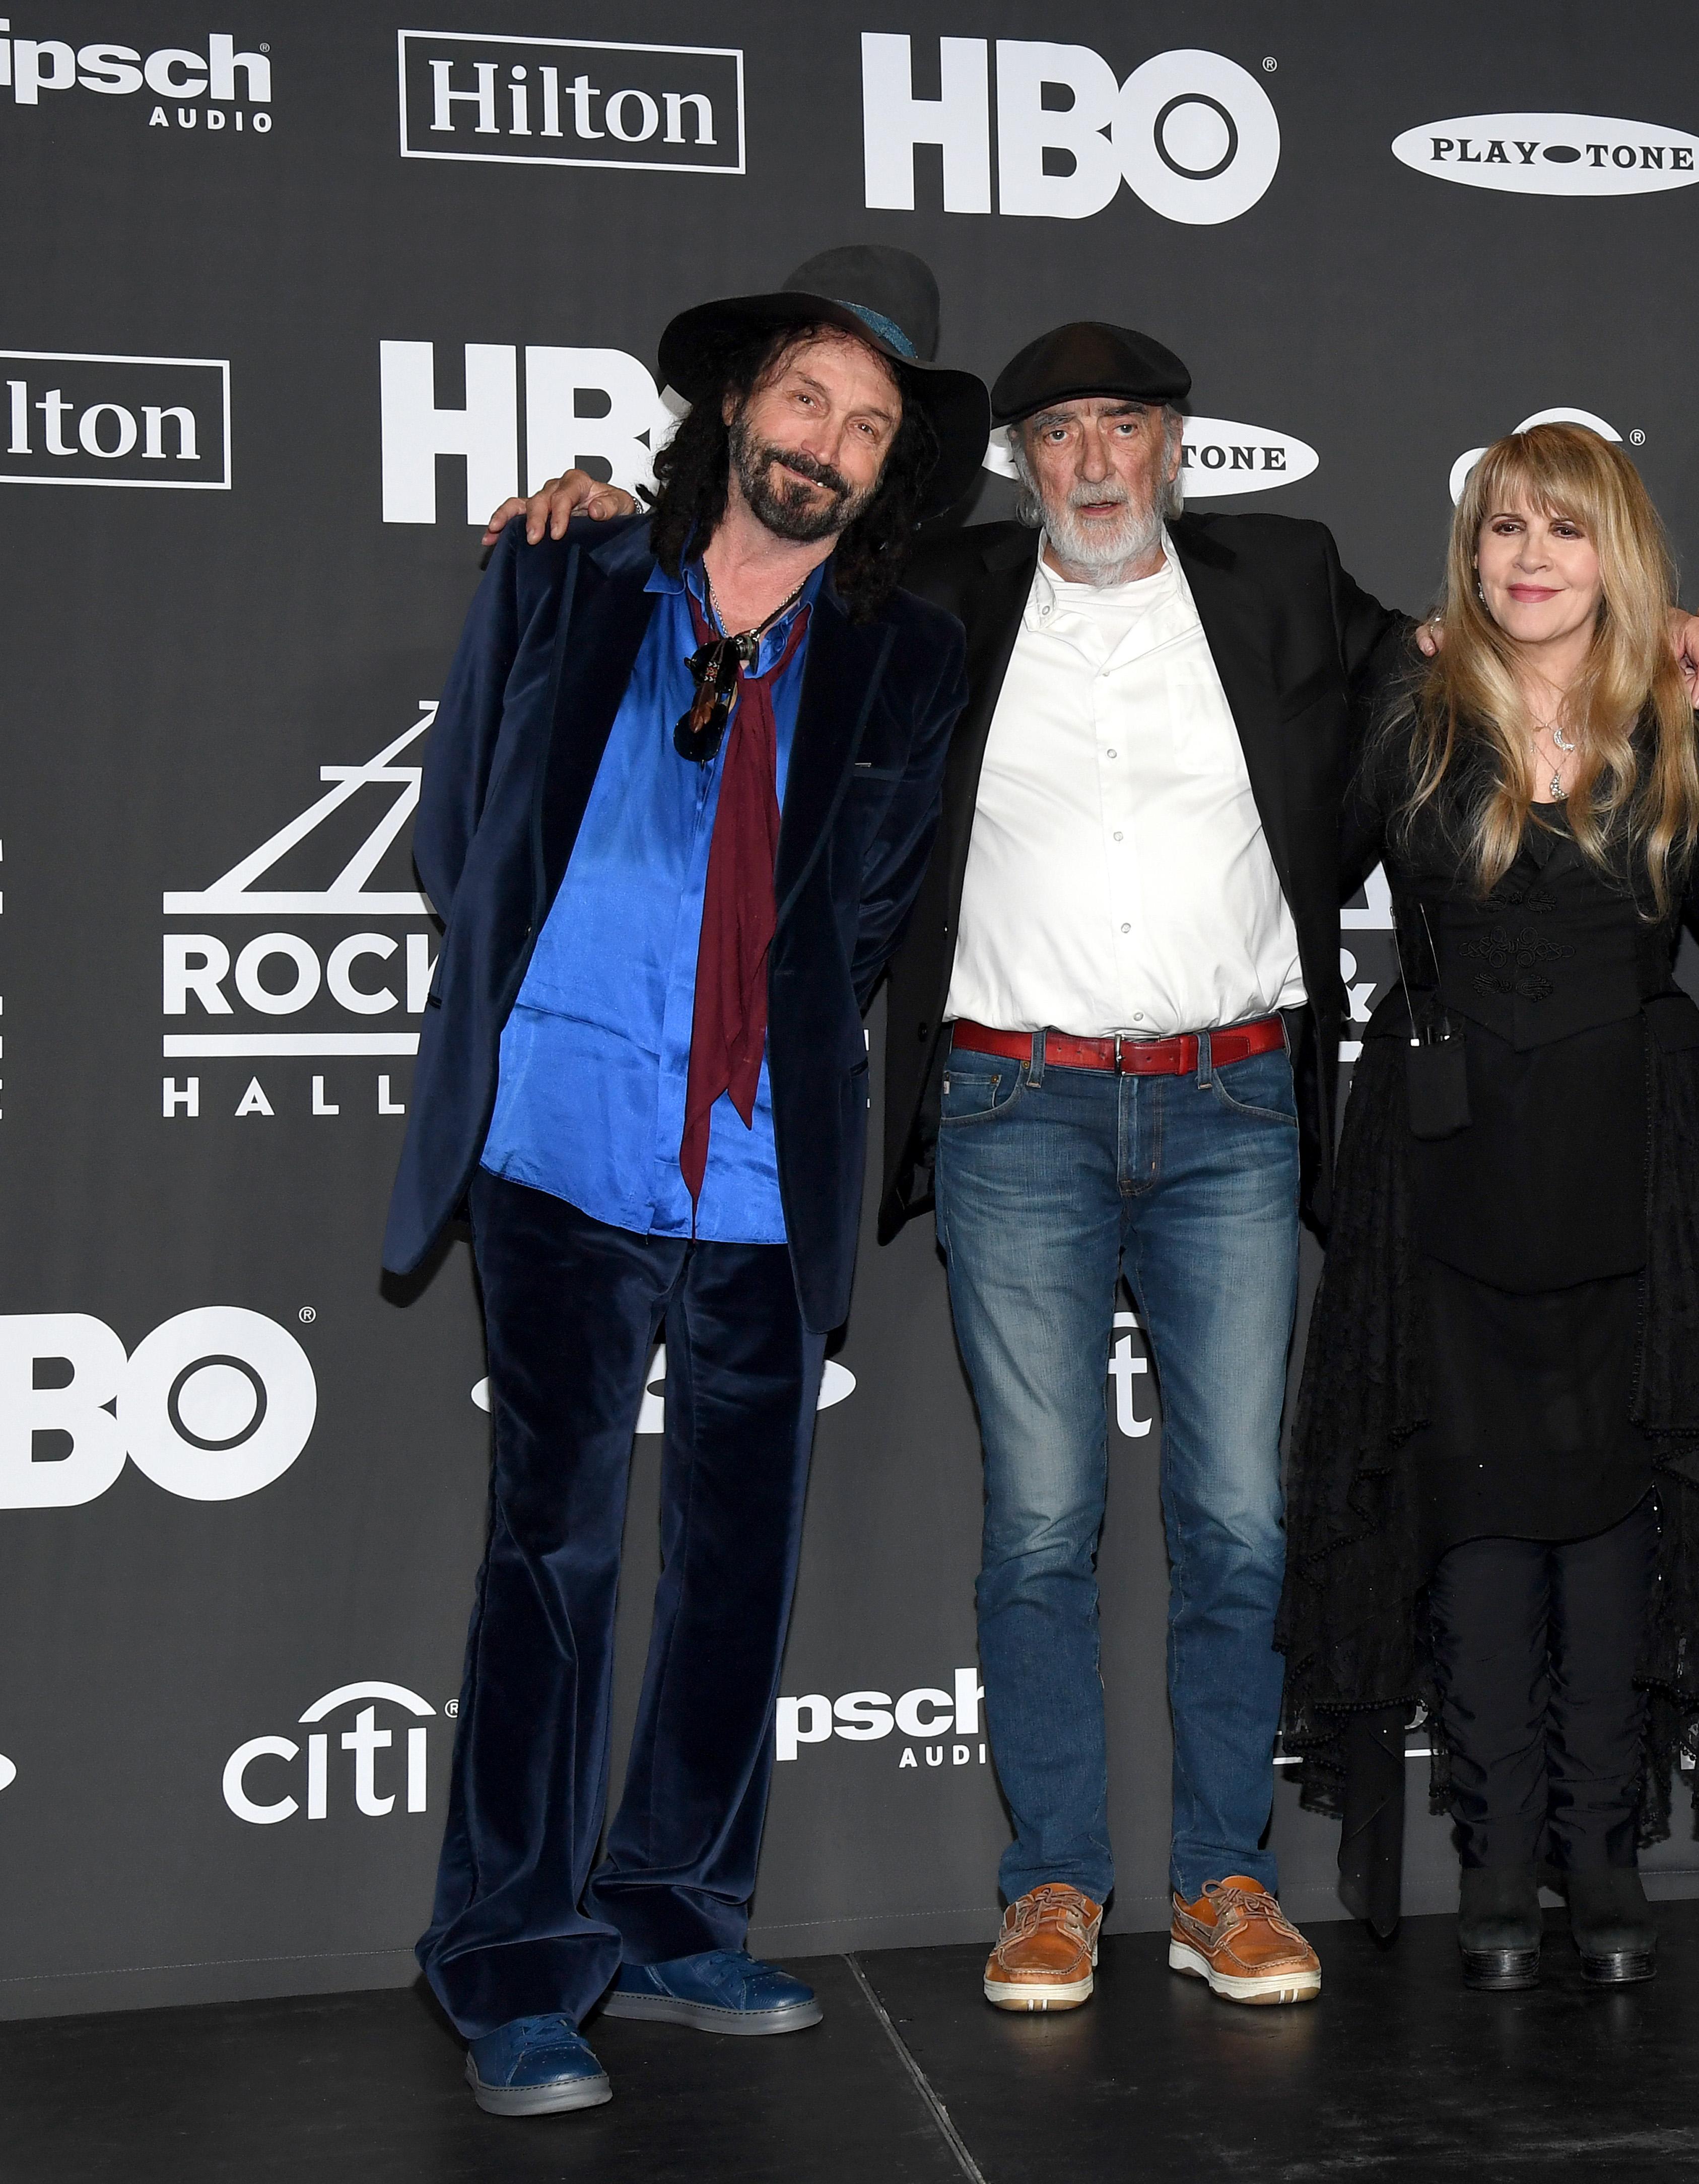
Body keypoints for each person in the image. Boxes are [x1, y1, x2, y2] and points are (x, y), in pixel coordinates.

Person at [517, 322, 1699, 2019]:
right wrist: (607, 508)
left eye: (1129, 429)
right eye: (1062, 434)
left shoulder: (1292, 576)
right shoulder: (937, 589)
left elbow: (1498, 651)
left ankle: (1226, 1881)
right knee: (1042, 1524)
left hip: (1236, 1105)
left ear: (1180, 446)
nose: (1096, 462)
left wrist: (1673, 627)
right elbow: (751, 553)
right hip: (1017, 1110)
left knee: (1238, 1521)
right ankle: (1054, 1891)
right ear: (1020, 461)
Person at [383, 254, 983, 2115]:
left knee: (737, 1568)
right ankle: (508, 1955)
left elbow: (867, 910)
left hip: (759, 1161)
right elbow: (459, 833)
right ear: (738, 407)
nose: (830, 445)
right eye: (809, 402)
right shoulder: (566, 567)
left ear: (893, 475)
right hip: (559, 1134)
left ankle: (671, 1910)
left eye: (871, 430)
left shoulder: (904, 655)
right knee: (550, 1556)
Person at [1276, 424, 1699, 1992]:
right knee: (1483, 1518)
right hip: (1447, 1171)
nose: (1527, 558)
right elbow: (1288, 857)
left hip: (1639, 1167)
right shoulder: (1412, 712)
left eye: (1562, 533)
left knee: (1618, 1516)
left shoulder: (1678, 719)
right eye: (1503, 528)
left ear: (1615, 555)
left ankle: (1601, 1851)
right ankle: (1497, 1856)